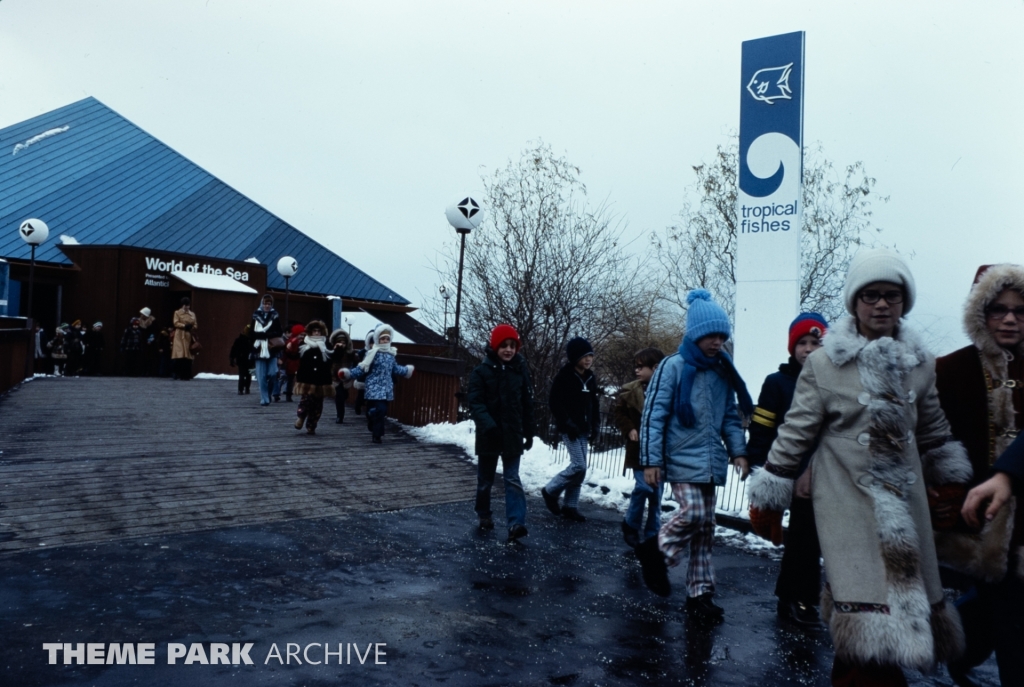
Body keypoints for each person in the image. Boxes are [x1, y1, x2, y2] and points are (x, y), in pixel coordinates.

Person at [746, 249, 971, 686]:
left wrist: (948, 483)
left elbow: (933, 430)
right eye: (870, 295)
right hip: (848, 503)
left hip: (906, 506)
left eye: (891, 295)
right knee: (862, 616)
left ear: (904, 301)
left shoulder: (921, 363)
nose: (881, 304)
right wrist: (771, 492)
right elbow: (796, 432)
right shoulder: (824, 363)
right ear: (855, 302)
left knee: (905, 607)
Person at [634, 289, 751, 622]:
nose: (717, 342)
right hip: (680, 457)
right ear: (696, 334)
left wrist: (738, 451)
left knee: (705, 529)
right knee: (694, 513)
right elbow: (653, 415)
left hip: (710, 460)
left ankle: (700, 594)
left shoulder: (722, 370)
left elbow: (729, 414)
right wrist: (651, 461)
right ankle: (655, 551)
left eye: (721, 336)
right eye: (711, 335)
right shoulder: (672, 367)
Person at [933, 263, 1024, 686]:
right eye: (998, 309)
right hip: (974, 524)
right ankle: (958, 648)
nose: (1010, 318)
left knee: (1003, 615)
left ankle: (960, 648)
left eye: (1020, 310)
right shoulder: (948, 370)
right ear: (979, 314)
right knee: (1000, 614)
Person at [745, 312, 828, 628]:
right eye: (802, 343)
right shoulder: (777, 383)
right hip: (791, 473)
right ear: (792, 348)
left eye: (815, 342)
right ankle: (802, 599)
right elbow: (762, 428)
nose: (808, 349)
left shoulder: (833, 382)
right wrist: (761, 470)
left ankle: (788, 594)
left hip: (828, 472)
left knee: (811, 539)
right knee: (805, 538)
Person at [467, 324, 535, 541]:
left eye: (512, 346)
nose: (508, 350)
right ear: (495, 346)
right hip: (490, 435)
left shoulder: (519, 370)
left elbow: (526, 402)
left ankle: (516, 523)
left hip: (512, 433)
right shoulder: (481, 372)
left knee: (512, 478)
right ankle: (484, 513)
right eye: (504, 345)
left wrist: (529, 430)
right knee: (486, 480)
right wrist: (489, 425)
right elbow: (476, 403)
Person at [541, 337, 601, 522]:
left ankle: (570, 506)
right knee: (578, 465)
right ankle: (550, 490)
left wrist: (595, 426)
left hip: (584, 428)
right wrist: (567, 424)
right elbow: (555, 403)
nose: (588, 359)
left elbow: (594, 403)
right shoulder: (564, 376)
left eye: (590, 355)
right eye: (584, 356)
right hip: (570, 428)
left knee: (581, 471)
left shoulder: (590, 377)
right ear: (575, 357)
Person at [613, 347, 666, 548]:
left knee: (656, 495)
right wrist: (629, 429)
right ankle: (631, 524)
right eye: (636, 367)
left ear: (655, 368)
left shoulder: (666, 391)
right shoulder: (630, 391)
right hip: (638, 450)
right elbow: (619, 413)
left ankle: (653, 534)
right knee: (644, 487)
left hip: (660, 452)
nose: (637, 370)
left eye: (641, 367)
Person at [341, 324, 413, 443]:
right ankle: (376, 431)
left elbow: (395, 369)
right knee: (379, 410)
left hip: (386, 388)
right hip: (373, 387)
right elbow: (361, 368)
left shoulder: (391, 355)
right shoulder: (372, 354)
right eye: (383, 338)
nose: (385, 341)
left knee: (381, 410)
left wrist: (406, 371)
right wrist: (348, 374)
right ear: (377, 339)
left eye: (387, 339)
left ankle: (375, 429)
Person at [289, 320, 342, 435]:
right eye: (314, 331)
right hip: (306, 378)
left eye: (318, 331)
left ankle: (311, 425)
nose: (317, 333)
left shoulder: (327, 345)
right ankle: (301, 417)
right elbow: (293, 356)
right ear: (310, 332)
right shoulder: (303, 344)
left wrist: (339, 349)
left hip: (321, 380)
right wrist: (291, 346)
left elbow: (334, 358)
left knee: (317, 405)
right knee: (306, 400)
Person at [250, 294, 283, 406]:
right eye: (265, 303)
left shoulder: (275, 316)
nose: (266, 306)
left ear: (271, 305)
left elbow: (279, 332)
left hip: (271, 349)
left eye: (269, 304)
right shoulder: (256, 316)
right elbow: (251, 333)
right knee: (261, 376)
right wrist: (260, 335)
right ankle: (264, 398)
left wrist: (267, 334)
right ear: (261, 304)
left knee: (273, 373)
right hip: (259, 349)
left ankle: (268, 393)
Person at [329, 328, 354, 423]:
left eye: (343, 342)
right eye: (339, 342)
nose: (341, 344)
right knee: (339, 396)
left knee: (344, 395)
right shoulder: (332, 352)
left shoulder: (350, 353)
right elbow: (330, 360)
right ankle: (340, 416)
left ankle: (340, 414)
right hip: (335, 378)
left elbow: (355, 361)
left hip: (346, 378)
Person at [171, 297, 198, 381]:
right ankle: (177, 373)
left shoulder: (192, 314)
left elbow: (196, 325)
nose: (186, 307)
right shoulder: (177, 313)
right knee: (180, 354)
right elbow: (175, 323)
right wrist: (184, 326)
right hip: (179, 335)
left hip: (188, 335)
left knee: (188, 355)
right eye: (185, 306)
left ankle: (186, 374)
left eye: (188, 305)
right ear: (182, 305)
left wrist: (192, 327)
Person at [352, 329, 374, 416]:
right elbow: (355, 361)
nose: (372, 345)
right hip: (362, 378)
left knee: (370, 397)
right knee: (361, 395)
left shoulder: (378, 353)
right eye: (371, 343)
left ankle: (368, 411)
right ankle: (358, 405)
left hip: (372, 378)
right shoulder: (362, 352)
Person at [281, 324, 305, 402]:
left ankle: (300, 394)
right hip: (291, 362)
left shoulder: (303, 342)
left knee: (298, 379)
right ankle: (289, 395)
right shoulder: (291, 341)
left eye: (303, 335)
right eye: (300, 335)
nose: (302, 336)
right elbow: (287, 352)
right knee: (290, 380)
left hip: (299, 362)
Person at [229, 324, 253, 394]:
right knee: (248, 375)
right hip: (249, 360)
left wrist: (232, 358)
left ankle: (241, 389)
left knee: (242, 374)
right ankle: (247, 389)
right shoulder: (252, 340)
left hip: (241, 359)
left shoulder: (239, 339)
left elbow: (233, 349)